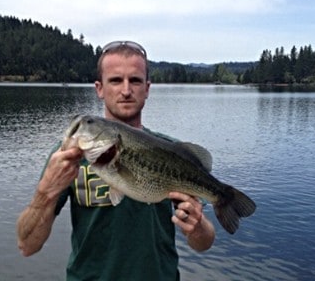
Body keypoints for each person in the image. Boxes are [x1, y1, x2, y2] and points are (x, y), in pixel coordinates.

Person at [16, 40, 215, 280]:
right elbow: (27, 245)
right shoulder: (66, 157)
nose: (126, 90)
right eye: (115, 80)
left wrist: (197, 227)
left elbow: (203, 243)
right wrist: (45, 192)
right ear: (99, 88)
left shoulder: (171, 153)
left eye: (135, 80)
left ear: (147, 88)